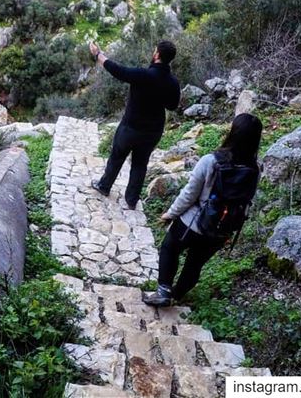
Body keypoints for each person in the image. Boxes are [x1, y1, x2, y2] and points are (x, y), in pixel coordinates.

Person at [143, 112, 263, 307]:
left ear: (233, 132)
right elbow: (248, 200)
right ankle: (177, 295)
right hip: (222, 228)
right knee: (195, 264)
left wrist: (170, 214)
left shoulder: (211, 161)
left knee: (170, 247)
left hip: (194, 222)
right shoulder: (256, 169)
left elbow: (189, 194)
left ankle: (164, 291)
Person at [88, 39, 180, 209]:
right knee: (140, 164)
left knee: (117, 156)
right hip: (153, 131)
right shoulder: (173, 83)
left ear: (157, 54)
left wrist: (98, 54)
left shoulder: (143, 75)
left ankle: (104, 186)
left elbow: (117, 70)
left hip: (131, 126)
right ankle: (131, 199)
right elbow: (173, 106)